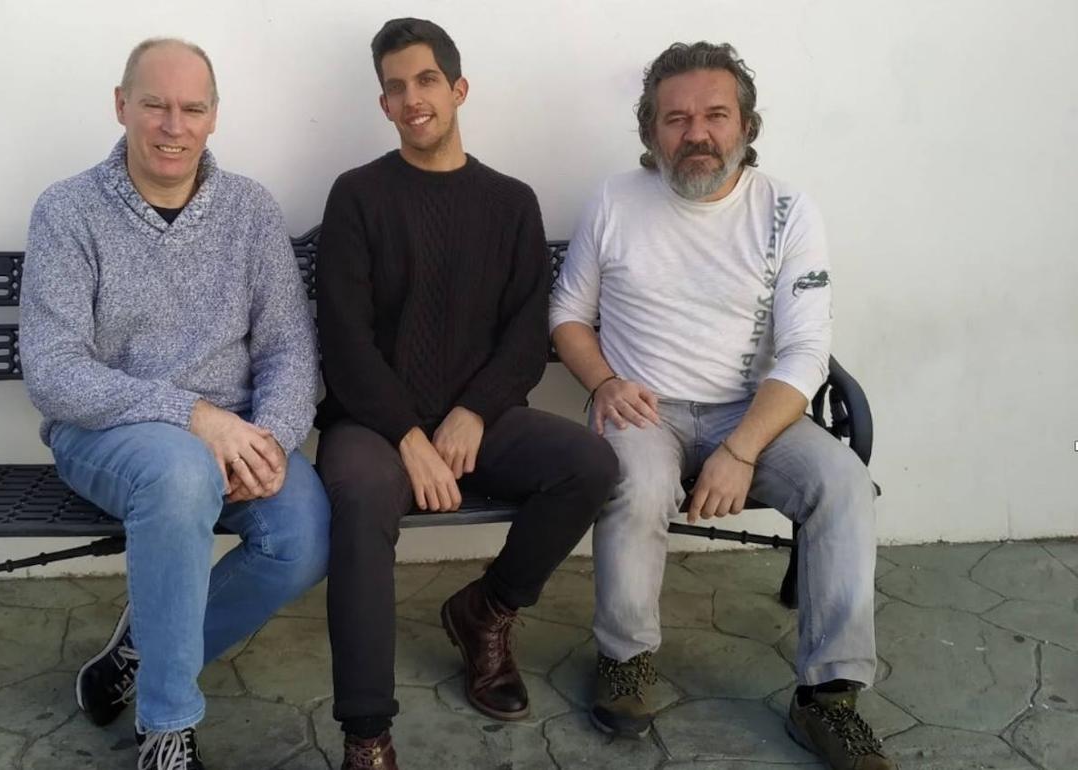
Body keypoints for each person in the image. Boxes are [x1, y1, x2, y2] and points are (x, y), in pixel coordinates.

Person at [551, 41, 893, 770]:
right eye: (675, 119)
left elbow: (806, 350)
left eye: (715, 115)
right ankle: (625, 659)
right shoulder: (614, 201)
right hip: (645, 409)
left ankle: (828, 698)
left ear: (746, 124)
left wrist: (741, 449)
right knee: (637, 481)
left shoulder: (788, 210)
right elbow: (569, 315)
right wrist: (605, 383)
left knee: (843, 483)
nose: (696, 133)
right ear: (651, 131)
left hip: (754, 411)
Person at [313, 17, 618, 770]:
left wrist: (473, 412)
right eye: (395, 88)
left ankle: (486, 610)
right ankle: (366, 735)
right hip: (372, 427)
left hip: (478, 419)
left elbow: (525, 334)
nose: (412, 99)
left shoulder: (510, 202)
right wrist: (409, 437)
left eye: (426, 81)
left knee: (589, 464)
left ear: (458, 88)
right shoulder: (357, 195)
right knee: (359, 499)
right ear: (384, 105)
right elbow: (345, 340)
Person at [19, 37, 329, 770]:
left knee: (305, 537)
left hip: (236, 437)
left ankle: (141, 647)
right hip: (109, 432)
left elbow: (290, 348)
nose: (172, 125)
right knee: (180, 474)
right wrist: (194, 418)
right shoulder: (68, 211)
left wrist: (270, 439)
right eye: (155, 105)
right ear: (121, 105)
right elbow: (55, 372)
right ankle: (167, 729)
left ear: (214, 116)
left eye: (192, 109)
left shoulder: (250, 211)